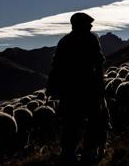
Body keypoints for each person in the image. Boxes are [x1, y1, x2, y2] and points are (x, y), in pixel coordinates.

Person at [46, 12, 110, 165]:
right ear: (79, 24)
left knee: (71, 121)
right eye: (88, 23)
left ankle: (69, 153)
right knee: (91, 119)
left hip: (70, 90)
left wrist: (52, 87)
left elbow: (56, 66)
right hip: (87, 88)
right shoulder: (91, 39)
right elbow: (99, 63)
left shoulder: (65, 41)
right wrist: (100, 85)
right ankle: (87, 151)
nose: (91, 26)